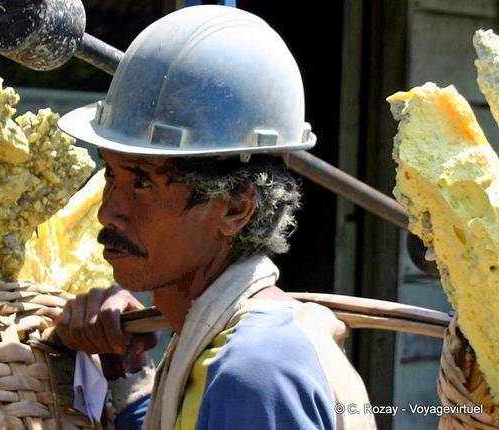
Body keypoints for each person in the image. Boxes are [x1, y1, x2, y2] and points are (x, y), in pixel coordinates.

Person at [56, 5, 376, 430]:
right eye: (112, 174)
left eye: (143, 182)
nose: (108, 211)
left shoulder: (254, 372)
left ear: (235, 208)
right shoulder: (232, 346)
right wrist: (126, 373)